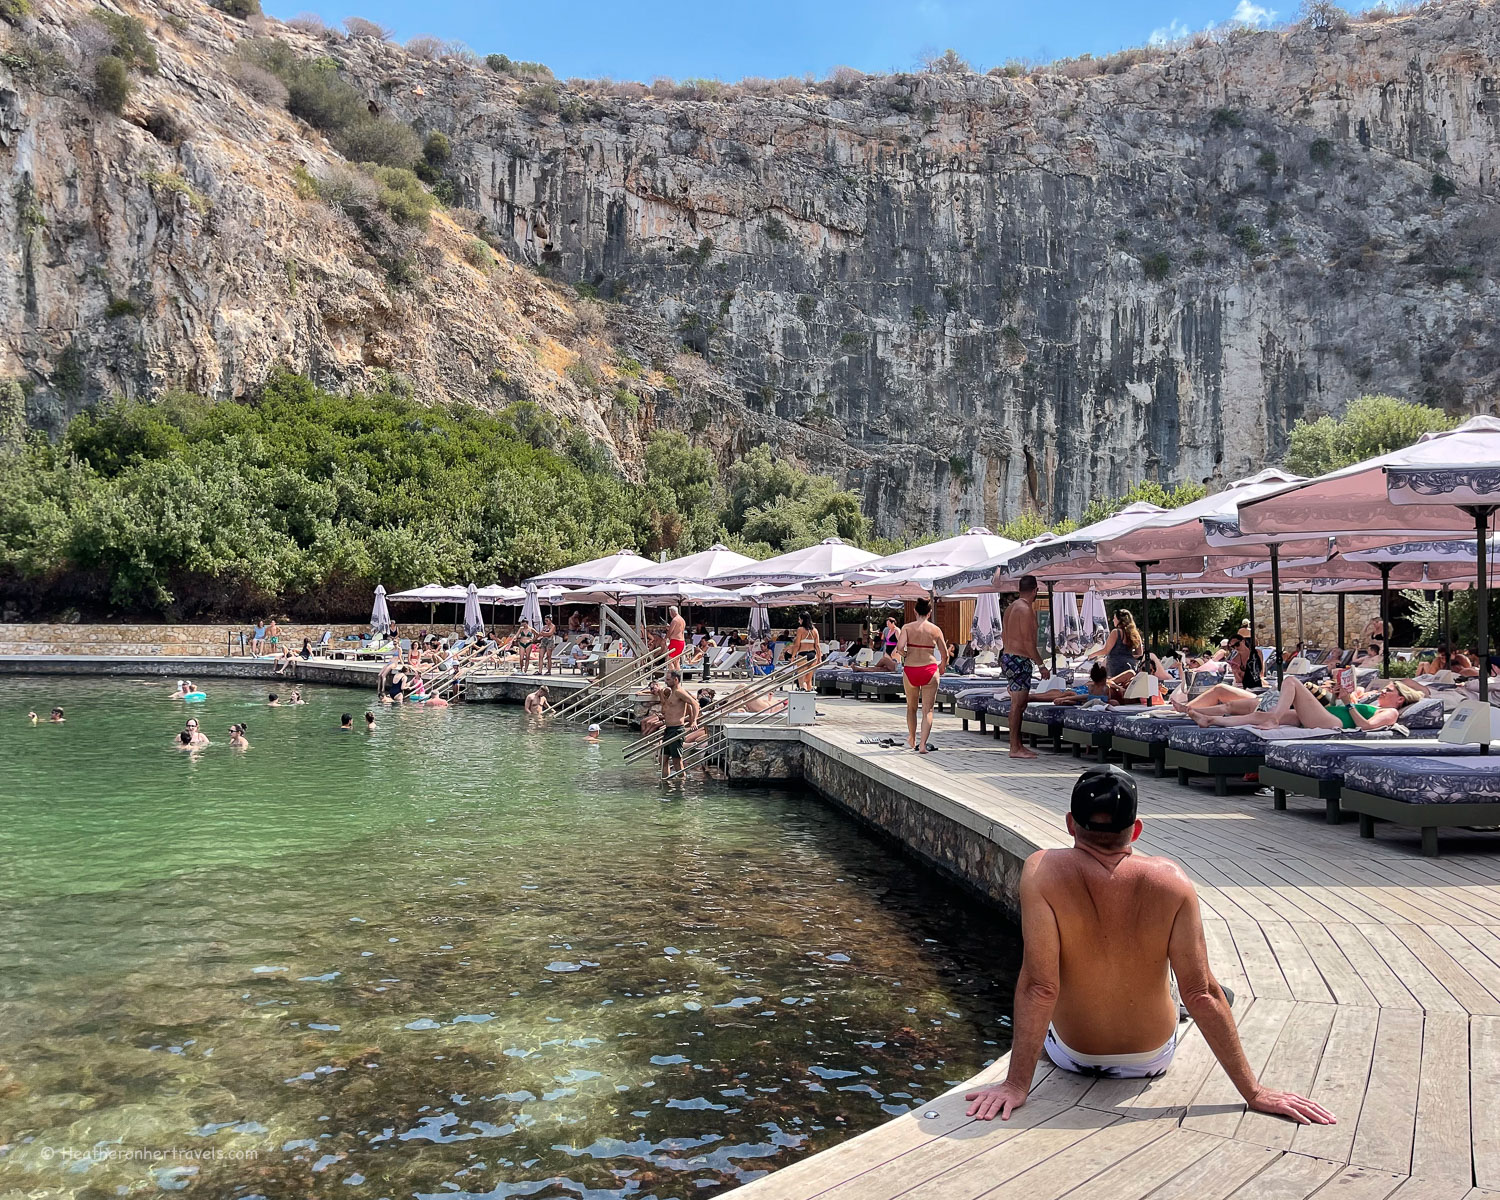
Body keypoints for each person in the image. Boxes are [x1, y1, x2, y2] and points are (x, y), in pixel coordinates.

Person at [965, 766, 1335, 1125]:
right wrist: (1253, 1092)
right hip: (1150, 1059)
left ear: (1070, 823)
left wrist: (1015, 1085)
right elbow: (1201, 993)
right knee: (1204, 987)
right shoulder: (1171, 880)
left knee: (1049, 967)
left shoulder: (1041, 871)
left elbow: (1040, 987)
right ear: (1136, 829)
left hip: (1070, 1055)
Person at [1189, 675, 1421, 732]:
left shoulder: (1390, 712)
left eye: (1388, 690)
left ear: (1400, 699)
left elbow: (1367, 728)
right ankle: (1211, 719)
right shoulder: (1373, 701)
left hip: (1336, 722)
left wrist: (1349, 704)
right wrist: (1340, 697)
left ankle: (1274, 719)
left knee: (1291, 681)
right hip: (1331, 713)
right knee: (1262, 712)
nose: (1382, 691)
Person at [1001, 575, 1051, 760]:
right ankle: (1015, 747)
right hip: (1019, 659)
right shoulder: (1026, 610)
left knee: (1018, 703)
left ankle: (1017, 745)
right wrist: (1041, 665)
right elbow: (1029, 643)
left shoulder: (1010, 609)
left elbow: (1004, 635)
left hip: (1008, 656)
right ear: (1036, 590)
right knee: (1018, 704)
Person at [895, 597, 949, 754]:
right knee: (928, 710)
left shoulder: (907, 627)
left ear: (914, 611)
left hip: (911, 669)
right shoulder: (935, 629)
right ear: (930, 613)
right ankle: (923, 745)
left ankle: (912, 738)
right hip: (930, 670)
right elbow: (944, 653)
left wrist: (907, 654)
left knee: (911, 707)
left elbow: (899, 647)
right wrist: (943, 665)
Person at [659, 669, 700, 779]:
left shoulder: (679, 692)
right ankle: (665, 782)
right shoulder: (671, 692)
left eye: (668, 679)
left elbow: (695, 703)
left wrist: (694, 721)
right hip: (669, 729)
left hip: (676, 730)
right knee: (663, 759)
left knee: (677, 761)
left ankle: (681, 783)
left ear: (675, 680)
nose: (665, 682)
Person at [1101, 610, 1142, 679]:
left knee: (1113, 685)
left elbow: (1106, 650)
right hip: (1130, 666)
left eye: (1114, 618)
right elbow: (1140, 653)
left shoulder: (1116, 632)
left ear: (1119, 620)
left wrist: (1090, 655)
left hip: (1115, 666)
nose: (1113, 620)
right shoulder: (1135, 634)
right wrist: (1128, 657)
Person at [789, 614, 821, 690]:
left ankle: (802, 690)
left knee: (801, 678)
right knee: (808, 679)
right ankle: (809, 694)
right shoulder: (815, 630)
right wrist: (819, 658)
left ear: (803, 620)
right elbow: (817, 645)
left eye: (799, 619)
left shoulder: (800, 629)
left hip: (803, 655)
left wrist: (793, 656)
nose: (798, 621)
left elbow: (797, 645)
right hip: (813, 655)